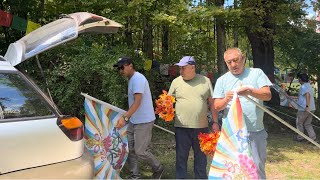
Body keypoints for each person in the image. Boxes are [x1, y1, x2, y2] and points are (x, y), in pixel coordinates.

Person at [212, 48, 272, 179]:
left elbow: (267, 95)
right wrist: (226, 99)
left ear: (243, 59)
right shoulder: (222, 80)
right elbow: (216, 106)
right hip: (232, 134)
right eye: (229, 62)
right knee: (232, 170)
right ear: (225, 63)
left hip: (255, 131)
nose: (233, 65)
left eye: (236, 60)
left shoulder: (256, 73)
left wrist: (250, 91)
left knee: (256, 168)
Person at [168, 56, 218, 179]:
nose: (181, 71)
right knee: (181, 159)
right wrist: (166, 110)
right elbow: (167, 101)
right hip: (181, 128)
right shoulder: (176, 82)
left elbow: (212, 103)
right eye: (180, 68)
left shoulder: (205, 81)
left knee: (201, 160)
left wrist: (215, 122)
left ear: (192, 67)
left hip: (201, 128)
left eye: (183, 68)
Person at [113, 56, 164, 179]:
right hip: (134, 120)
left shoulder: (137, 79)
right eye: (119, 68)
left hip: (144, 121)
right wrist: (129, 118)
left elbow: (137, 102)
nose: (120, 70)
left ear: (130, 65)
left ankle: (158, 168)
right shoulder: (132, 79)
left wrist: (124, 118)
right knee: (131, 149)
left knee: (140, 151)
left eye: (122, 67)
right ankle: (135, 175)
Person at [294, 73, 317, 142]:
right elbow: (302, 97)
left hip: (304, 109)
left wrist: (307, 107)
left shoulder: (303, 86)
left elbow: (307, 95)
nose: (298, 81)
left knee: (299, 123)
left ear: (300, 80)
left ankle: (300, 137)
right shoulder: (308, 85)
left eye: (299, 79)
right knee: (307, 124)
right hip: (312, 108)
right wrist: (290, 97)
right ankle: (312, 138)